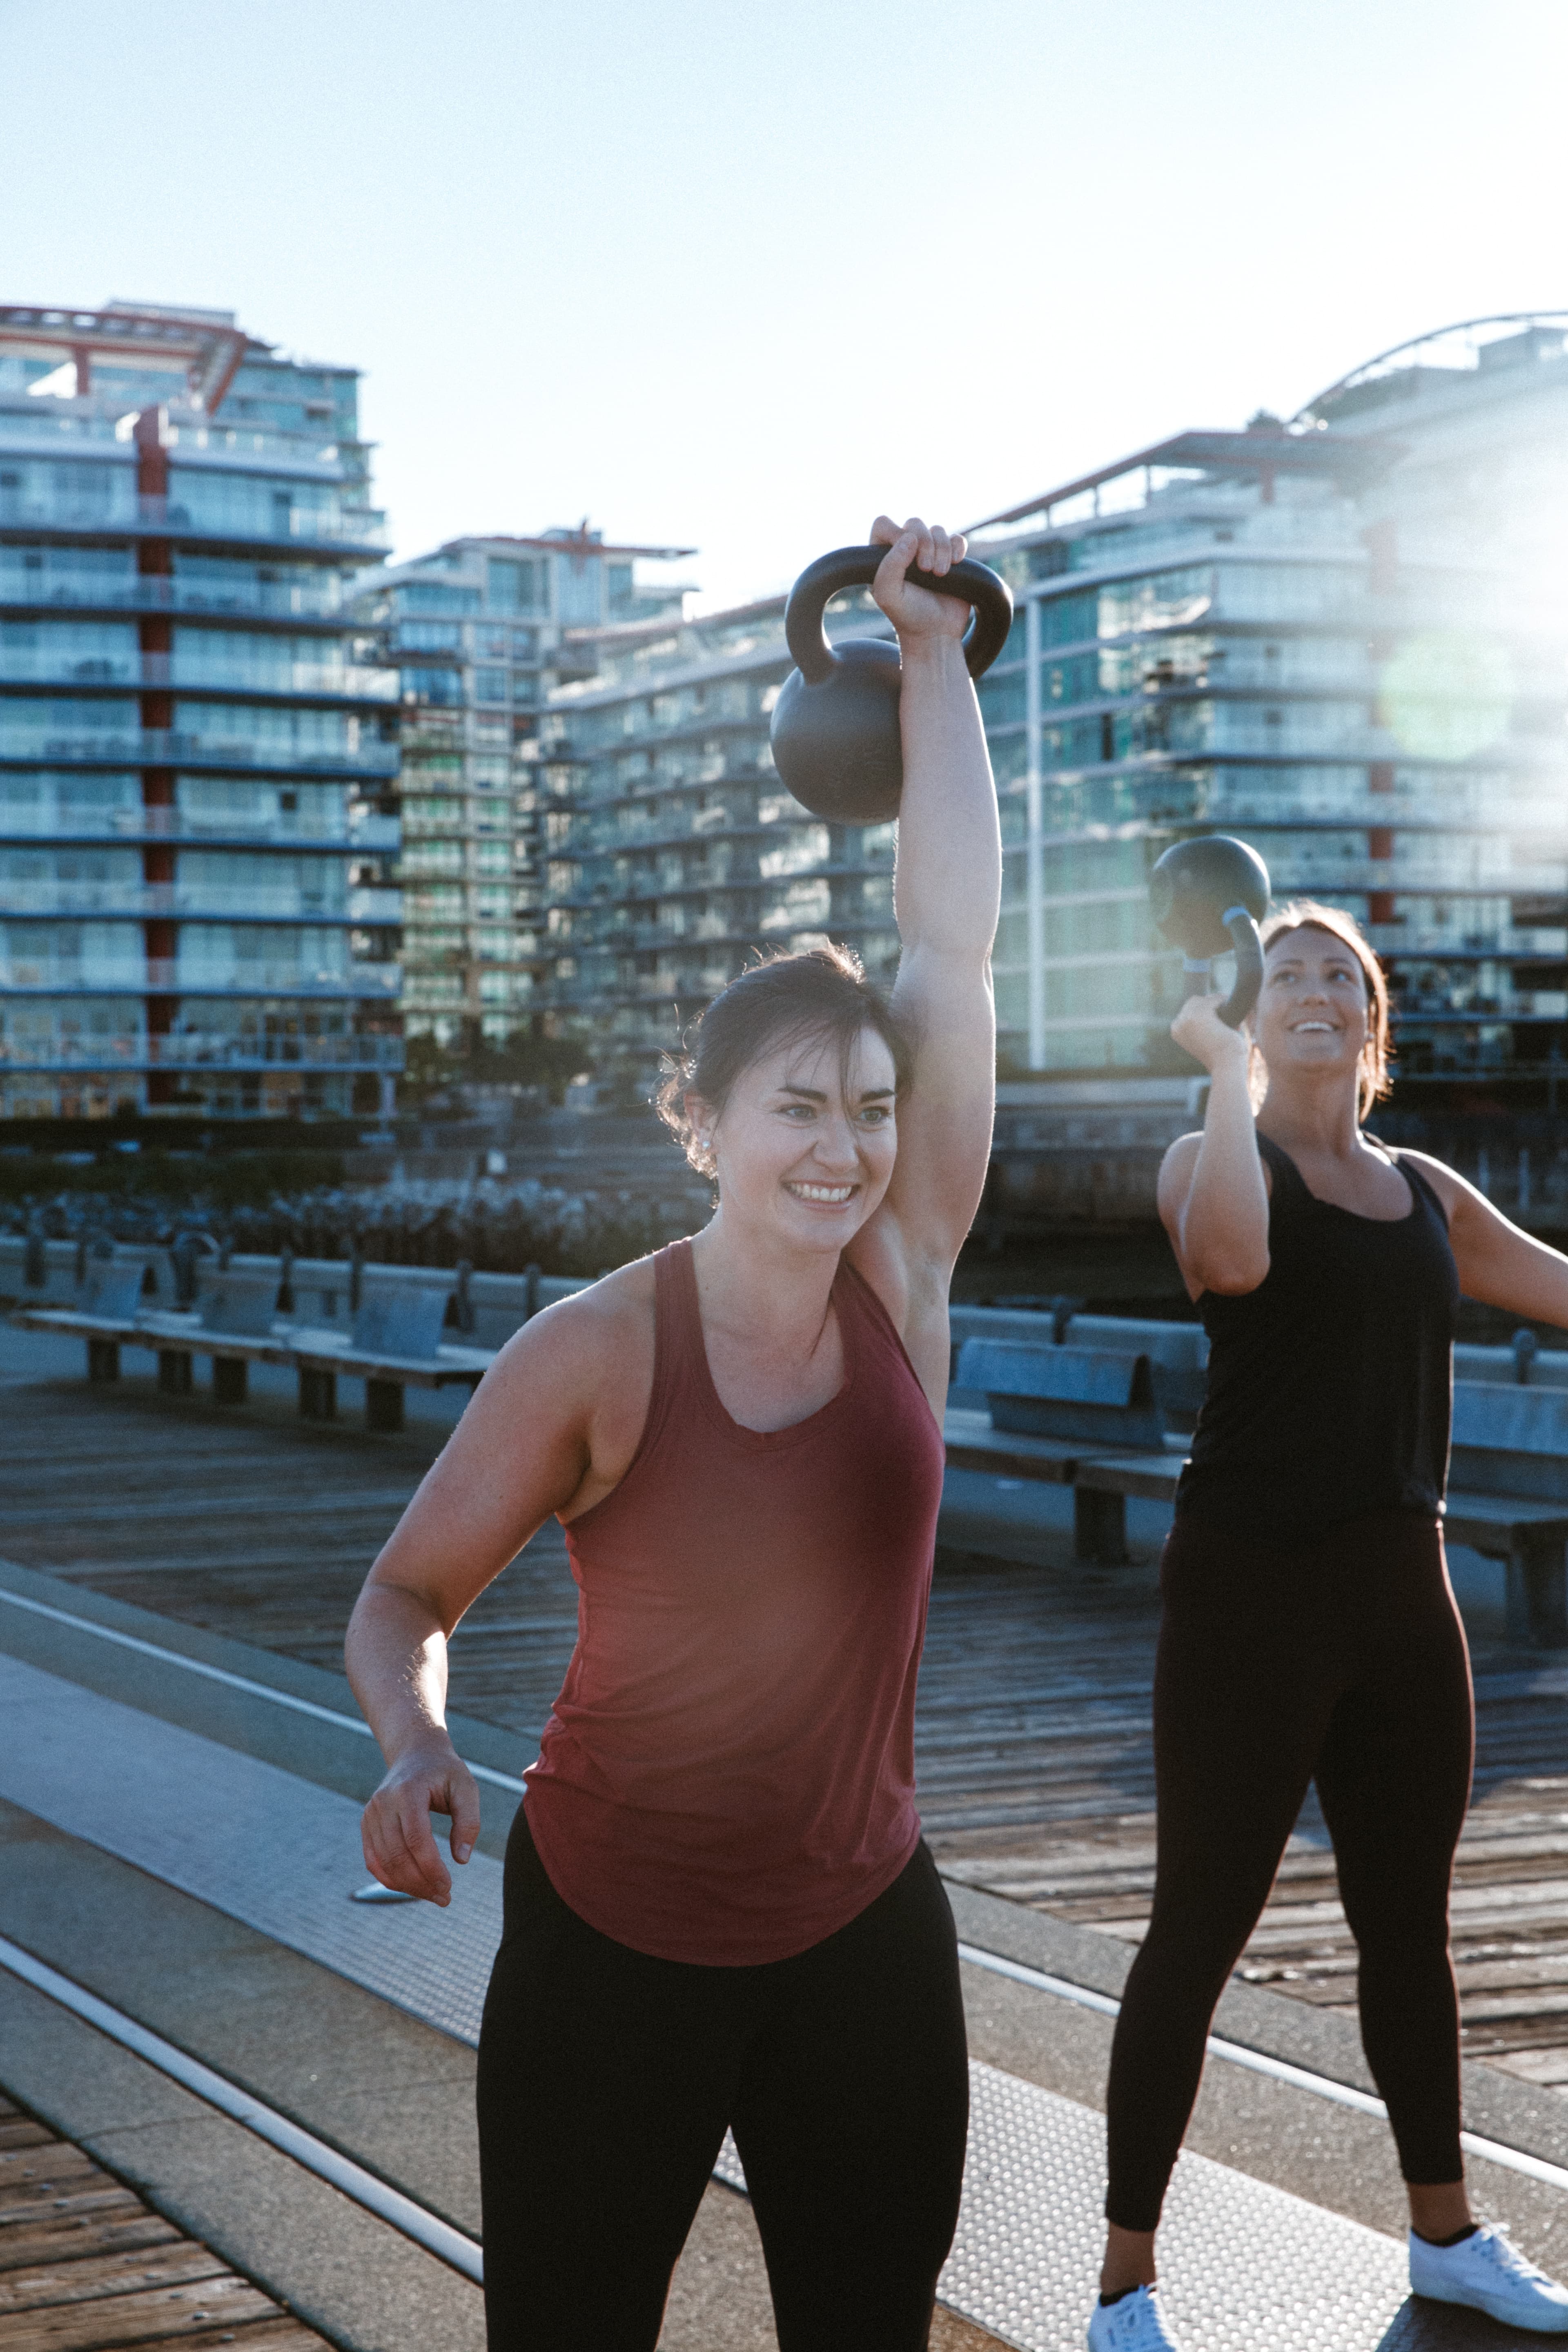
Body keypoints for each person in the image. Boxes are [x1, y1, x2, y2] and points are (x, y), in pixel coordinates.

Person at [345, 515, 1000, 2352]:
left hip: (865, 1932)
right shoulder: (595, 1350)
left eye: (870, 1108)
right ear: (703, 1127)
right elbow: (406, 1593)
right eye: (797, 1108)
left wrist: (937, 662)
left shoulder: (907, 1277)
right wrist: (410, 1750)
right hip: (610, 1943)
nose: (845, 1148)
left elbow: (950, 938)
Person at [1089, 900, 1568, 2350]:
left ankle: (1446, 2236)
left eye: (1337, 978)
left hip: (1403, 1604)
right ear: (1251, 1008)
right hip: (1247, 1599)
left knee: (1408, 1932)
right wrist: (1219, 1075)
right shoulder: (1207, 1153)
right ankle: (1124, 2285)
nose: (1311, 989)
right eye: (1284, 973)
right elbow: (1227, 1265)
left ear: (1371, 1021)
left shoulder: (1424, 1189)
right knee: (1198, 1934)